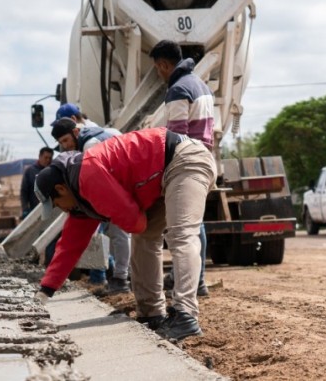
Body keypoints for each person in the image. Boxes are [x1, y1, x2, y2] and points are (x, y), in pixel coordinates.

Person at [34, 127, 215, 341]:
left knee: (181, 235)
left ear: (61, 189)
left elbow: (134, 221)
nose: (61, 209)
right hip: (159, 174)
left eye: (56, 204)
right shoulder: (78, 195)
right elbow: (69, 248)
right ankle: (152, 313)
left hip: (184, 159)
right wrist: (43, 294)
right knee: (145, 238)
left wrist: (112, 213)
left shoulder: (87, 175)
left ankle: (186, 316)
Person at [150, 39, 214, 296]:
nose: (158, 73)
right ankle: (197, 281)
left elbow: (176, 135)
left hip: (187, 161)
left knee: (186, 227)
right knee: (196, 223)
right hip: (206, 157)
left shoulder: (177, 89)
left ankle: (195, 283)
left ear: (164, 64)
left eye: (157, 67)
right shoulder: (200, 84)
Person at [50, 117, 130, 295]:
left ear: (76, 132)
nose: (65, 145)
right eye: (61, 142)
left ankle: (121, 280)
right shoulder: (105, 132)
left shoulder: (90, 145)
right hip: (124, 186)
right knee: (120, 236)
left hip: (122, 189)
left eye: (66, 140)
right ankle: (122, 276)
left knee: (119, 235)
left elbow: (97, 180)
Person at [21, 147, 54, 219]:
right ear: (40, 156)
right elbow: (24, 191)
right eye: (46, 157)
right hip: (35, 209)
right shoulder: (30, 171)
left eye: (50, 158)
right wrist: (25, 209)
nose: (48, 160)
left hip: (52, 208)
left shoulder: (53, 171)